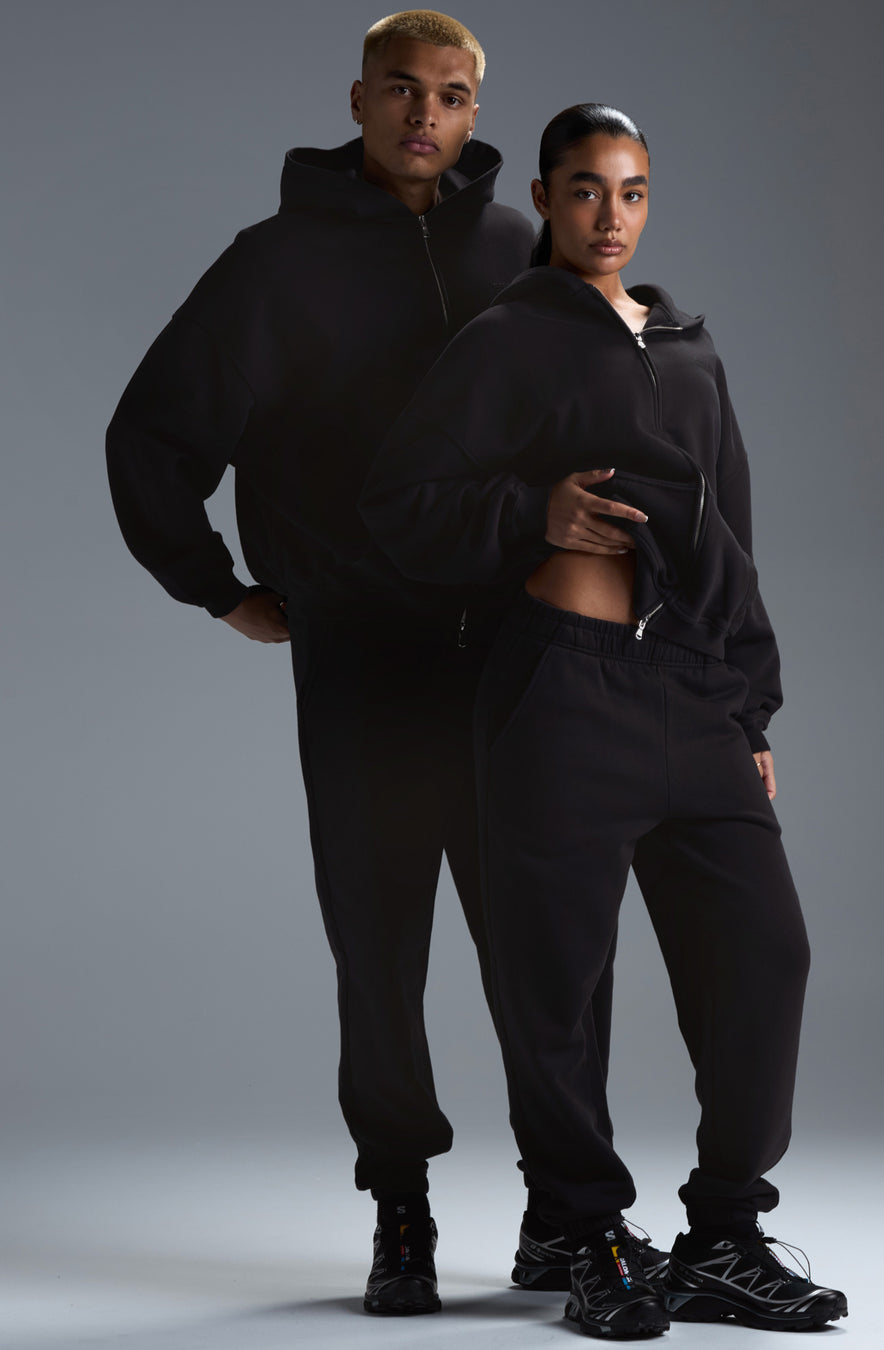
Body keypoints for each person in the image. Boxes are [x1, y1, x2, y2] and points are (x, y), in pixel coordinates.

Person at [105, 12, 659, 1317]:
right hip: (364, 653)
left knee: (554, 944)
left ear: (476, 113)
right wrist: (217, 587)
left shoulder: (525, 249)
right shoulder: (276, 264)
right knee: (381, 943)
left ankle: (568, 1213)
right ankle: (400, 1209)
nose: (425, 115)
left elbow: (604, 426)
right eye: (403, 90)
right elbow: (152, 433)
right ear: (358, 99)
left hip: (521, 653)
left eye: (452, 95)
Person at [359, 103, 849, 1338]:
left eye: (631, 192)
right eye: (584, 190)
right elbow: (404, 499)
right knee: (556, 986)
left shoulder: (689, 347)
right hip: (564, 689)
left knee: (766, 956)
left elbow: (732, 534)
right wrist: (533, 512)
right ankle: (585, 1232)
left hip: (692, 689)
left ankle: (724, 1234)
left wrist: (751, 708)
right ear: (545, 197)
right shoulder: (506, 339)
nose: (610, 216)